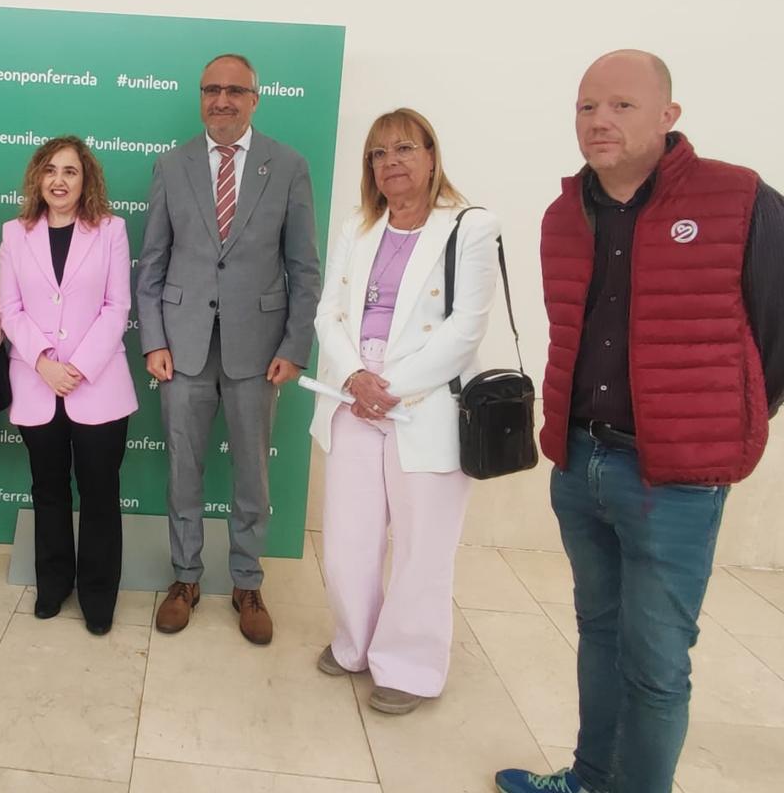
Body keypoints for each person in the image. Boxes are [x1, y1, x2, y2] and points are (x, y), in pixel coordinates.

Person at [496, 50, 784, 793]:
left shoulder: (740, 199)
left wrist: (722, 425)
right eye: (587, 106)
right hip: (579, 462)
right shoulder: (565, 214)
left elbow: (776, 334)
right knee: (598, 636)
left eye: (621, 105)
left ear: (668, 115)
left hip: (674, 481)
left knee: (656, 668)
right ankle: (589, 780)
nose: (599, 120)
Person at [310, 108, 499, 714]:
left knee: (423, 543)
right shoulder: (357, 228)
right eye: (378, 154)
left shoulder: (471, 227)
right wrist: (357, 378)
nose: (390, 163)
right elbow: (327, 315)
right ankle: (354, 644)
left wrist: (389, 386)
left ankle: (411, 666)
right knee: (347, 539)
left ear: (431, 155)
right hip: (353, 397)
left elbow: (466, 329)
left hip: (425, 405)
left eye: (404, 149)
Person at [137, 53, 321, 645]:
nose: (222, 99)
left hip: (258, 349)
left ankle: (246, 581)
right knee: (184, 471)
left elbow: (304, 268)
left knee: (252, 476)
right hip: (183, 347)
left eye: (234, 90)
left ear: (254, 98)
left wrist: (295, 346)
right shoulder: (172, 165)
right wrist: (154, 340)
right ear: (200, 97)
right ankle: (185, 578)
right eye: (211, 89)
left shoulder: (288, 166)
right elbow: (154, 264)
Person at [0, 136, 136, 636]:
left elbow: (117, 306)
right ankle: (53, 586)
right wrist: (43, 363)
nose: (59, 180)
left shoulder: (111, 230)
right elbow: (9, 308)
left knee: (100, 493)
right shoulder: (15, 233)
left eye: (71, 171)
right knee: (48, 490)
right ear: (37, 177)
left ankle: (99, 598)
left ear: (86, 180)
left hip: (97, 385)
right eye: (51, 170)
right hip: (37, 384)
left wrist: (76, 366)